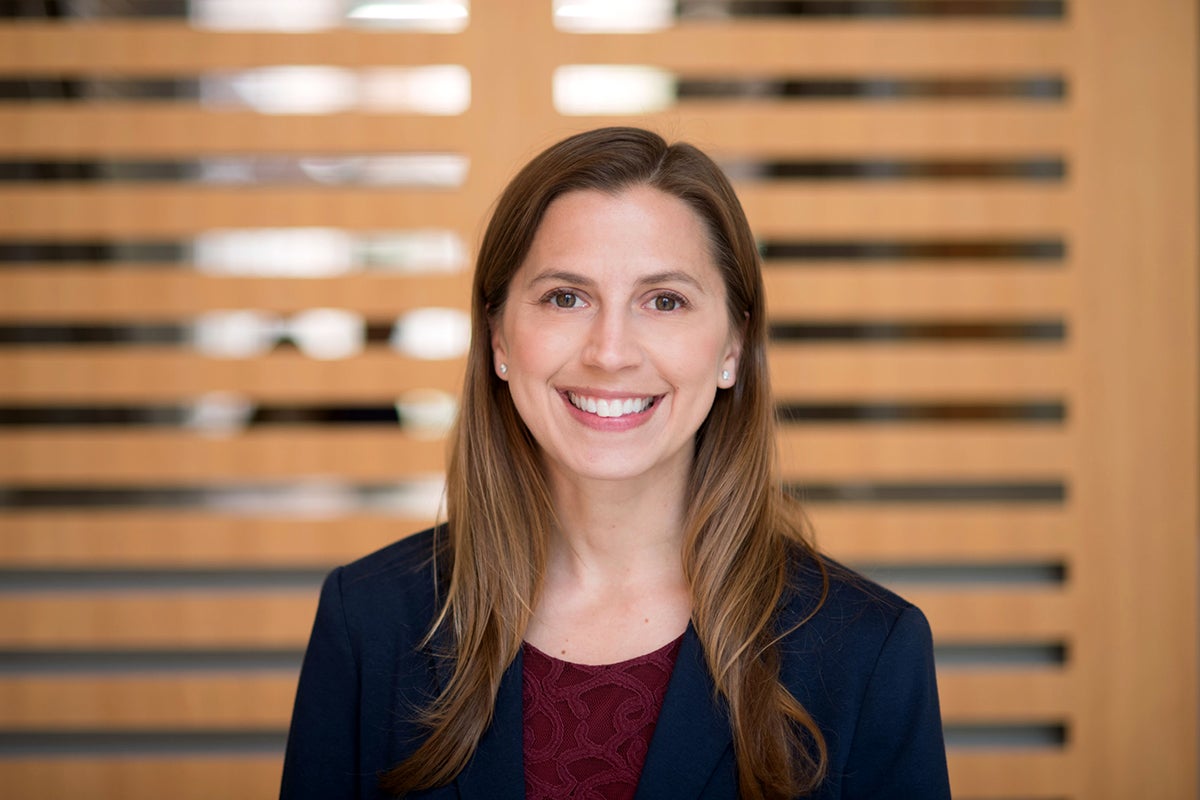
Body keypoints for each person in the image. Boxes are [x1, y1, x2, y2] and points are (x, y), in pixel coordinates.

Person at [280, 127, 951, 800]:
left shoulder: (869, 652)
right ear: (498, 339)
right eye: (565, 297)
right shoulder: (370, 620)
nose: (609, 352)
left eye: (665, 301)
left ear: (733, 347)